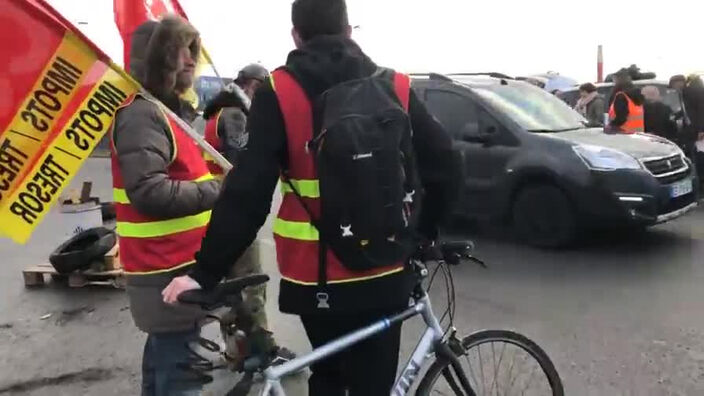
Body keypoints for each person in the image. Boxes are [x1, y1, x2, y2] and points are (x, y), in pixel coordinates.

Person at [162, 0, 460, 394]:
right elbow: (448, 165)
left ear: (296, 36)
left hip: (313, 277)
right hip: (384, 270)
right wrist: (423, 234)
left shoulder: (279, 91)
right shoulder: (397, 86)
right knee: (374, 383)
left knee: (328, 376)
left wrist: (204, 272)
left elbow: (247, 195)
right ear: (349, 31)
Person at [110, 17, 220, 395]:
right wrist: (219, 191)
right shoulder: (144, 114)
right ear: (154, 60)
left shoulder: (169, 113)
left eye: (192, 52)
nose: (191, 61)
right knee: (179, 375)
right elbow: (149, 191)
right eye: (179, 52)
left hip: (174, 265)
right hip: (165, 269)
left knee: (164, 363)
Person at [201, 63, 296, 364]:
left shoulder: (217, 113)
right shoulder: (234, 115)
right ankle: (262, 352)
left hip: (217, 212)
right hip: (234, 212)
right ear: (253, 85)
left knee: (231, 288)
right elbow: (245, 162)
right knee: (252, 284)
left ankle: (237, 351)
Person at [201, 63, 269, 176]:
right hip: (223, 186)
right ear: (243, 86)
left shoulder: (221, 109)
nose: (259, 94)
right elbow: (236, 159)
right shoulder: (235, 115)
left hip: (214, 182)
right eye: (256, 87)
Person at [607, 68, 644, 133]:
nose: (614, 81)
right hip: (638, 133)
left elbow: (621, 117)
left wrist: (611, 125)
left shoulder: (621, 96)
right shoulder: (637, 94)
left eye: (614, 79)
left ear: (619, 79)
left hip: (623, 133)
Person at [682, 75, 704, 187]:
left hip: (696, 130)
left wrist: (701, 129)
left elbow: (699, 110)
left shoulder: (693, 91)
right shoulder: (699, 89)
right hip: (697, 129)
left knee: (696, 155)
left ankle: (699, 181)